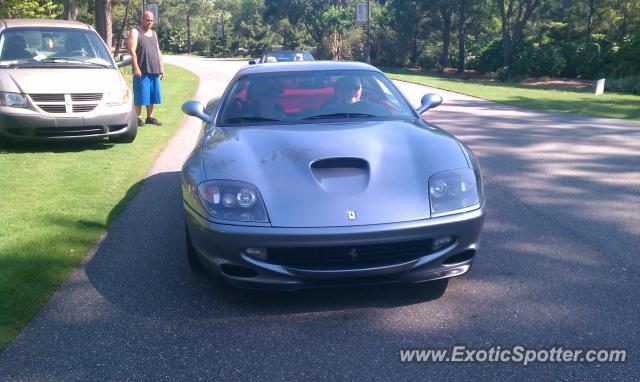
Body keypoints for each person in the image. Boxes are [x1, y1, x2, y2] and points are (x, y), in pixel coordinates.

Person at [128, 11, 164, 126]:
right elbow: (132, 51)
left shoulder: (154, 33)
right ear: (142, 19)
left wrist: (161, 68)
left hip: (154, 69)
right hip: (141, 69)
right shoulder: (135, 32)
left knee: (153, 94)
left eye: (152, 20)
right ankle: (137, 118)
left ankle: (150, 117)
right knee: (140, 94)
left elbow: (158, 51)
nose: (149, 22)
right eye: (147, 20)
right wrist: (136, 68)